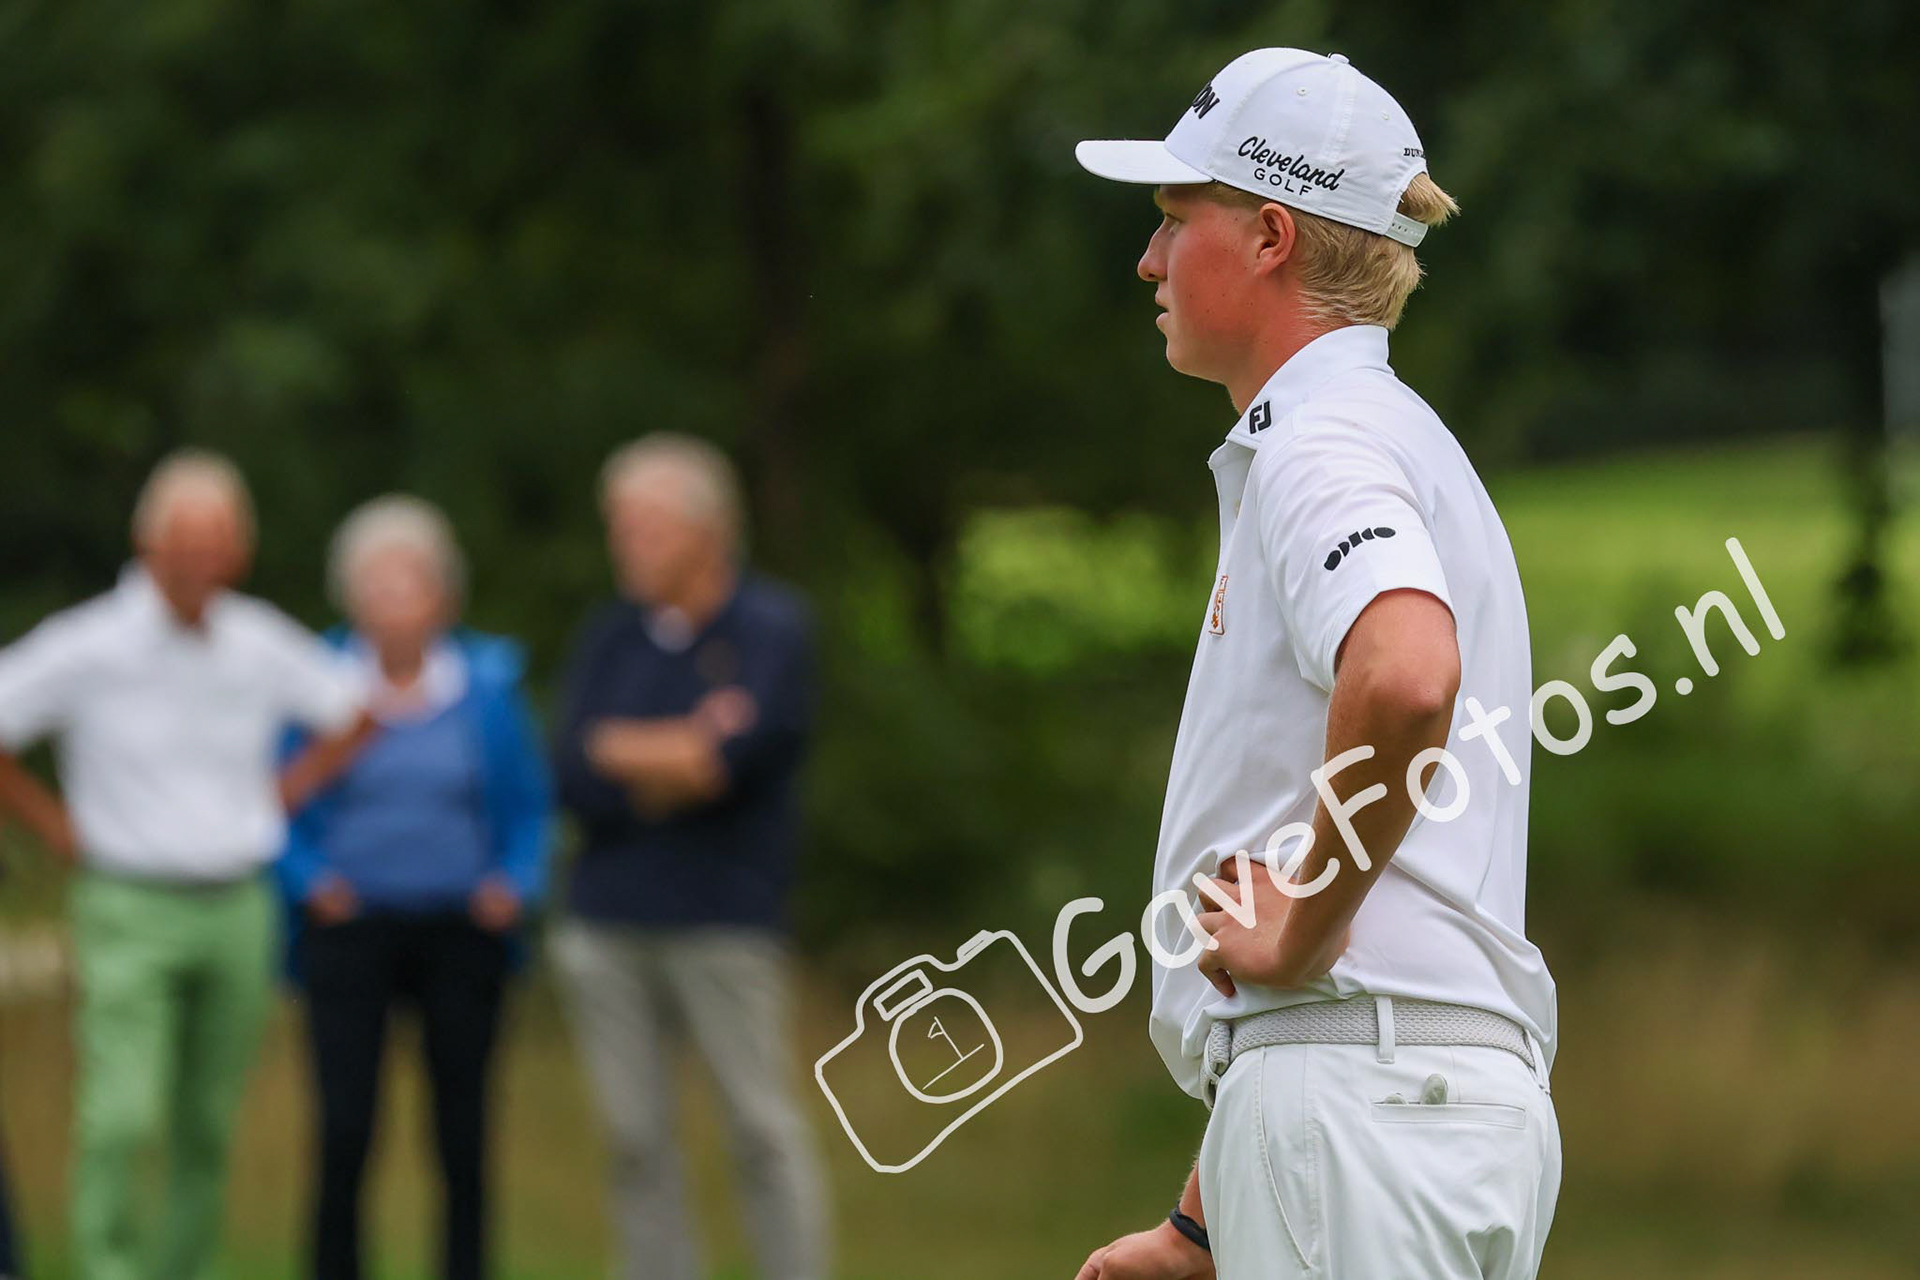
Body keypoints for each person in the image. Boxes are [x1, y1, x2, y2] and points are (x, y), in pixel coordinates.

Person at [1071, 49, 1560, 1279]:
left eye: (1174, 221)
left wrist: (1294, 931)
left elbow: (1404, 676)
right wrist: (1201, 1221)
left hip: (1364, 1104)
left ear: (1272, 236)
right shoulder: (1389, 437)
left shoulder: (1322, 446)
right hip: (1403, 1099)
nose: (1148, 262)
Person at [0, 450, 371, 1280]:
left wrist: (286, 792)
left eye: (218, 542)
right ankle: (110, 1266)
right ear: (148, 544)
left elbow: (355, 710)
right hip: (130, 902)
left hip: (238, 902)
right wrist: (54, 825)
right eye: (185, 542)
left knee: (208, 1122)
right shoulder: (92, 643)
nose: (202, 559)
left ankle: (185, 1268)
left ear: (238, 550)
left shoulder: (256, 640)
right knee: (123, 1113)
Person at [550, 434, 827, 1280]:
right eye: (619, 528)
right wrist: (674, 755)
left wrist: (628, 754)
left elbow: (736, 763)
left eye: (645, 528)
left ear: (708, 532)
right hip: (607, 925)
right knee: (634, 1139)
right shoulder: (609, 637)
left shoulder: (771, 628)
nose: (625, 546)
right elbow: (568, 768)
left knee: (759, 1129)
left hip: (724, 920)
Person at [276, 495, 554, 1280]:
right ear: (351, 596)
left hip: (461, 930)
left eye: (411, 583)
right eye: (378, 584)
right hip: (349, 928)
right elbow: (276, 800)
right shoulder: (318, 687)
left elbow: (528, 806)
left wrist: (515, 882)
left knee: (461, 1134)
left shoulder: (488, 690)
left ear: (444, 597)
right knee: (345, 1129)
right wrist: (309, 881)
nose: (394, 602)